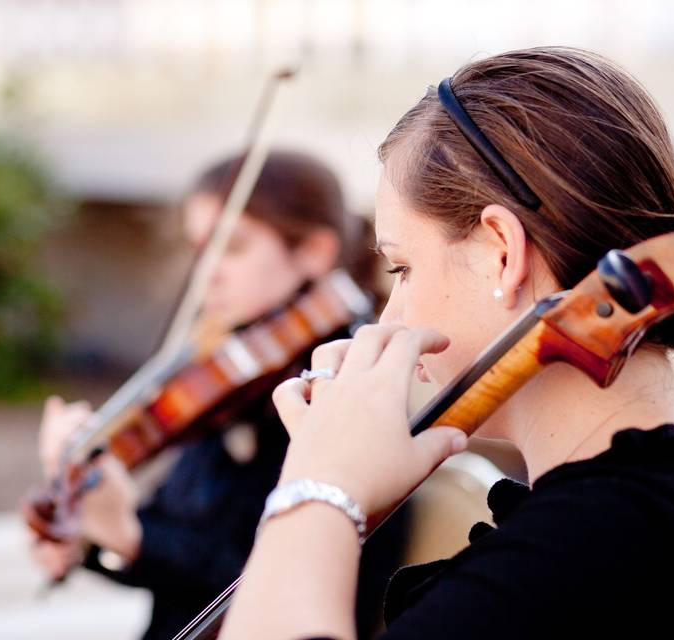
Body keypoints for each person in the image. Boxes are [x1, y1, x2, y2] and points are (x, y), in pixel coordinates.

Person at [219, 46, 674, 640]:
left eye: (402, 269)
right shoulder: (637, 521)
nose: (386, 320)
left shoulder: (585, 550)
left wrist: (317, 485)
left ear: (502, 252)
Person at [31, 151, 411, 640]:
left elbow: (261, 578)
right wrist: (91, 533)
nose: (206, 272)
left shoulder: (343, 383)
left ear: (315, 252)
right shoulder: (232, 373)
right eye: (199, 248)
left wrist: (132, 537)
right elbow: (178, 524)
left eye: (231, 247)